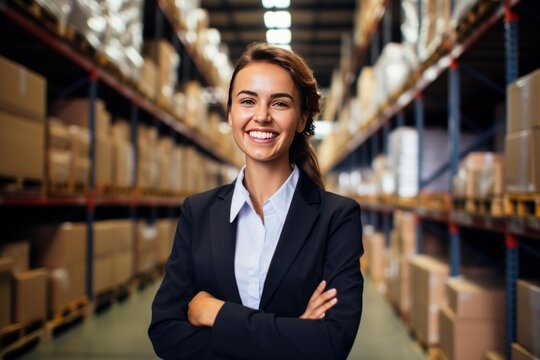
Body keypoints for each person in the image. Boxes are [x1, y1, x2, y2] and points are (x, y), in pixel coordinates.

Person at [148, 42, 364, 360]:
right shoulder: (199, 212)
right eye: (248, 101)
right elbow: (166, 333)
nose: (261, 117)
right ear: (230, 113)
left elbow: (331, 343)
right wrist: (293, 334)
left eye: (279, 104)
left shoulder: (336, 218)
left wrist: (215, 313)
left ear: (302, 118)